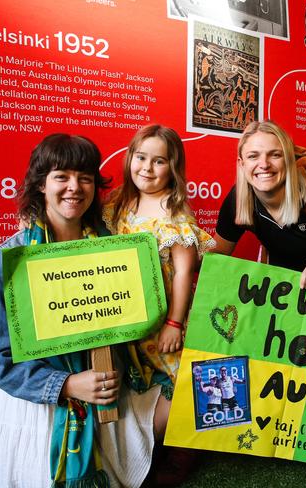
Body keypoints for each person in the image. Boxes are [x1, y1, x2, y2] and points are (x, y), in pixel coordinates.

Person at [0, 134, 169, 488]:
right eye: (61, 176)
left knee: (186, 396)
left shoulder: (113, 245)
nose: (74, 187)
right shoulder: (11, 258)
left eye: (85, 177)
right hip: (44, 400)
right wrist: (65, 384)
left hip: (108, 380)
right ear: (41, 185)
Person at [104, 124, 215, 398]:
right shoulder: (119, 200)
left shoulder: (173, 209)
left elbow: (183, 271)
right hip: (131, 316)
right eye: (141, 157)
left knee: (182, 387)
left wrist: (174, 324)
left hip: (164, 316)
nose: (147, 168)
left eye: (159, 161)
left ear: (172, 167)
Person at [213, 120, 306, 289]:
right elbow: (217, 255)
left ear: (288, 160)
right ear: (242, 164)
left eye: (275, 155)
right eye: (253, 156)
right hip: (281, 294)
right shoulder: (239, 199)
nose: (264, 164)